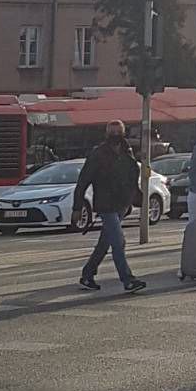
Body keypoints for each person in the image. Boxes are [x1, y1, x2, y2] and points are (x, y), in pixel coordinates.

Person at [74, 120, 147, 293]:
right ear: (106, 134)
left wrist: (136, 199)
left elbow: (131, 179)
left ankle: (87, 274)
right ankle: (128, 280)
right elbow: (83, 181)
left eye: (118, 131)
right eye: (112, 132)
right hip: (105, 205)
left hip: (121, 204)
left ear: (123, 133)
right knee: (118, 241)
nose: (115, 135)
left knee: (105, 243)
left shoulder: (127, 152)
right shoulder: (98, 154)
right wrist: (77, 208)